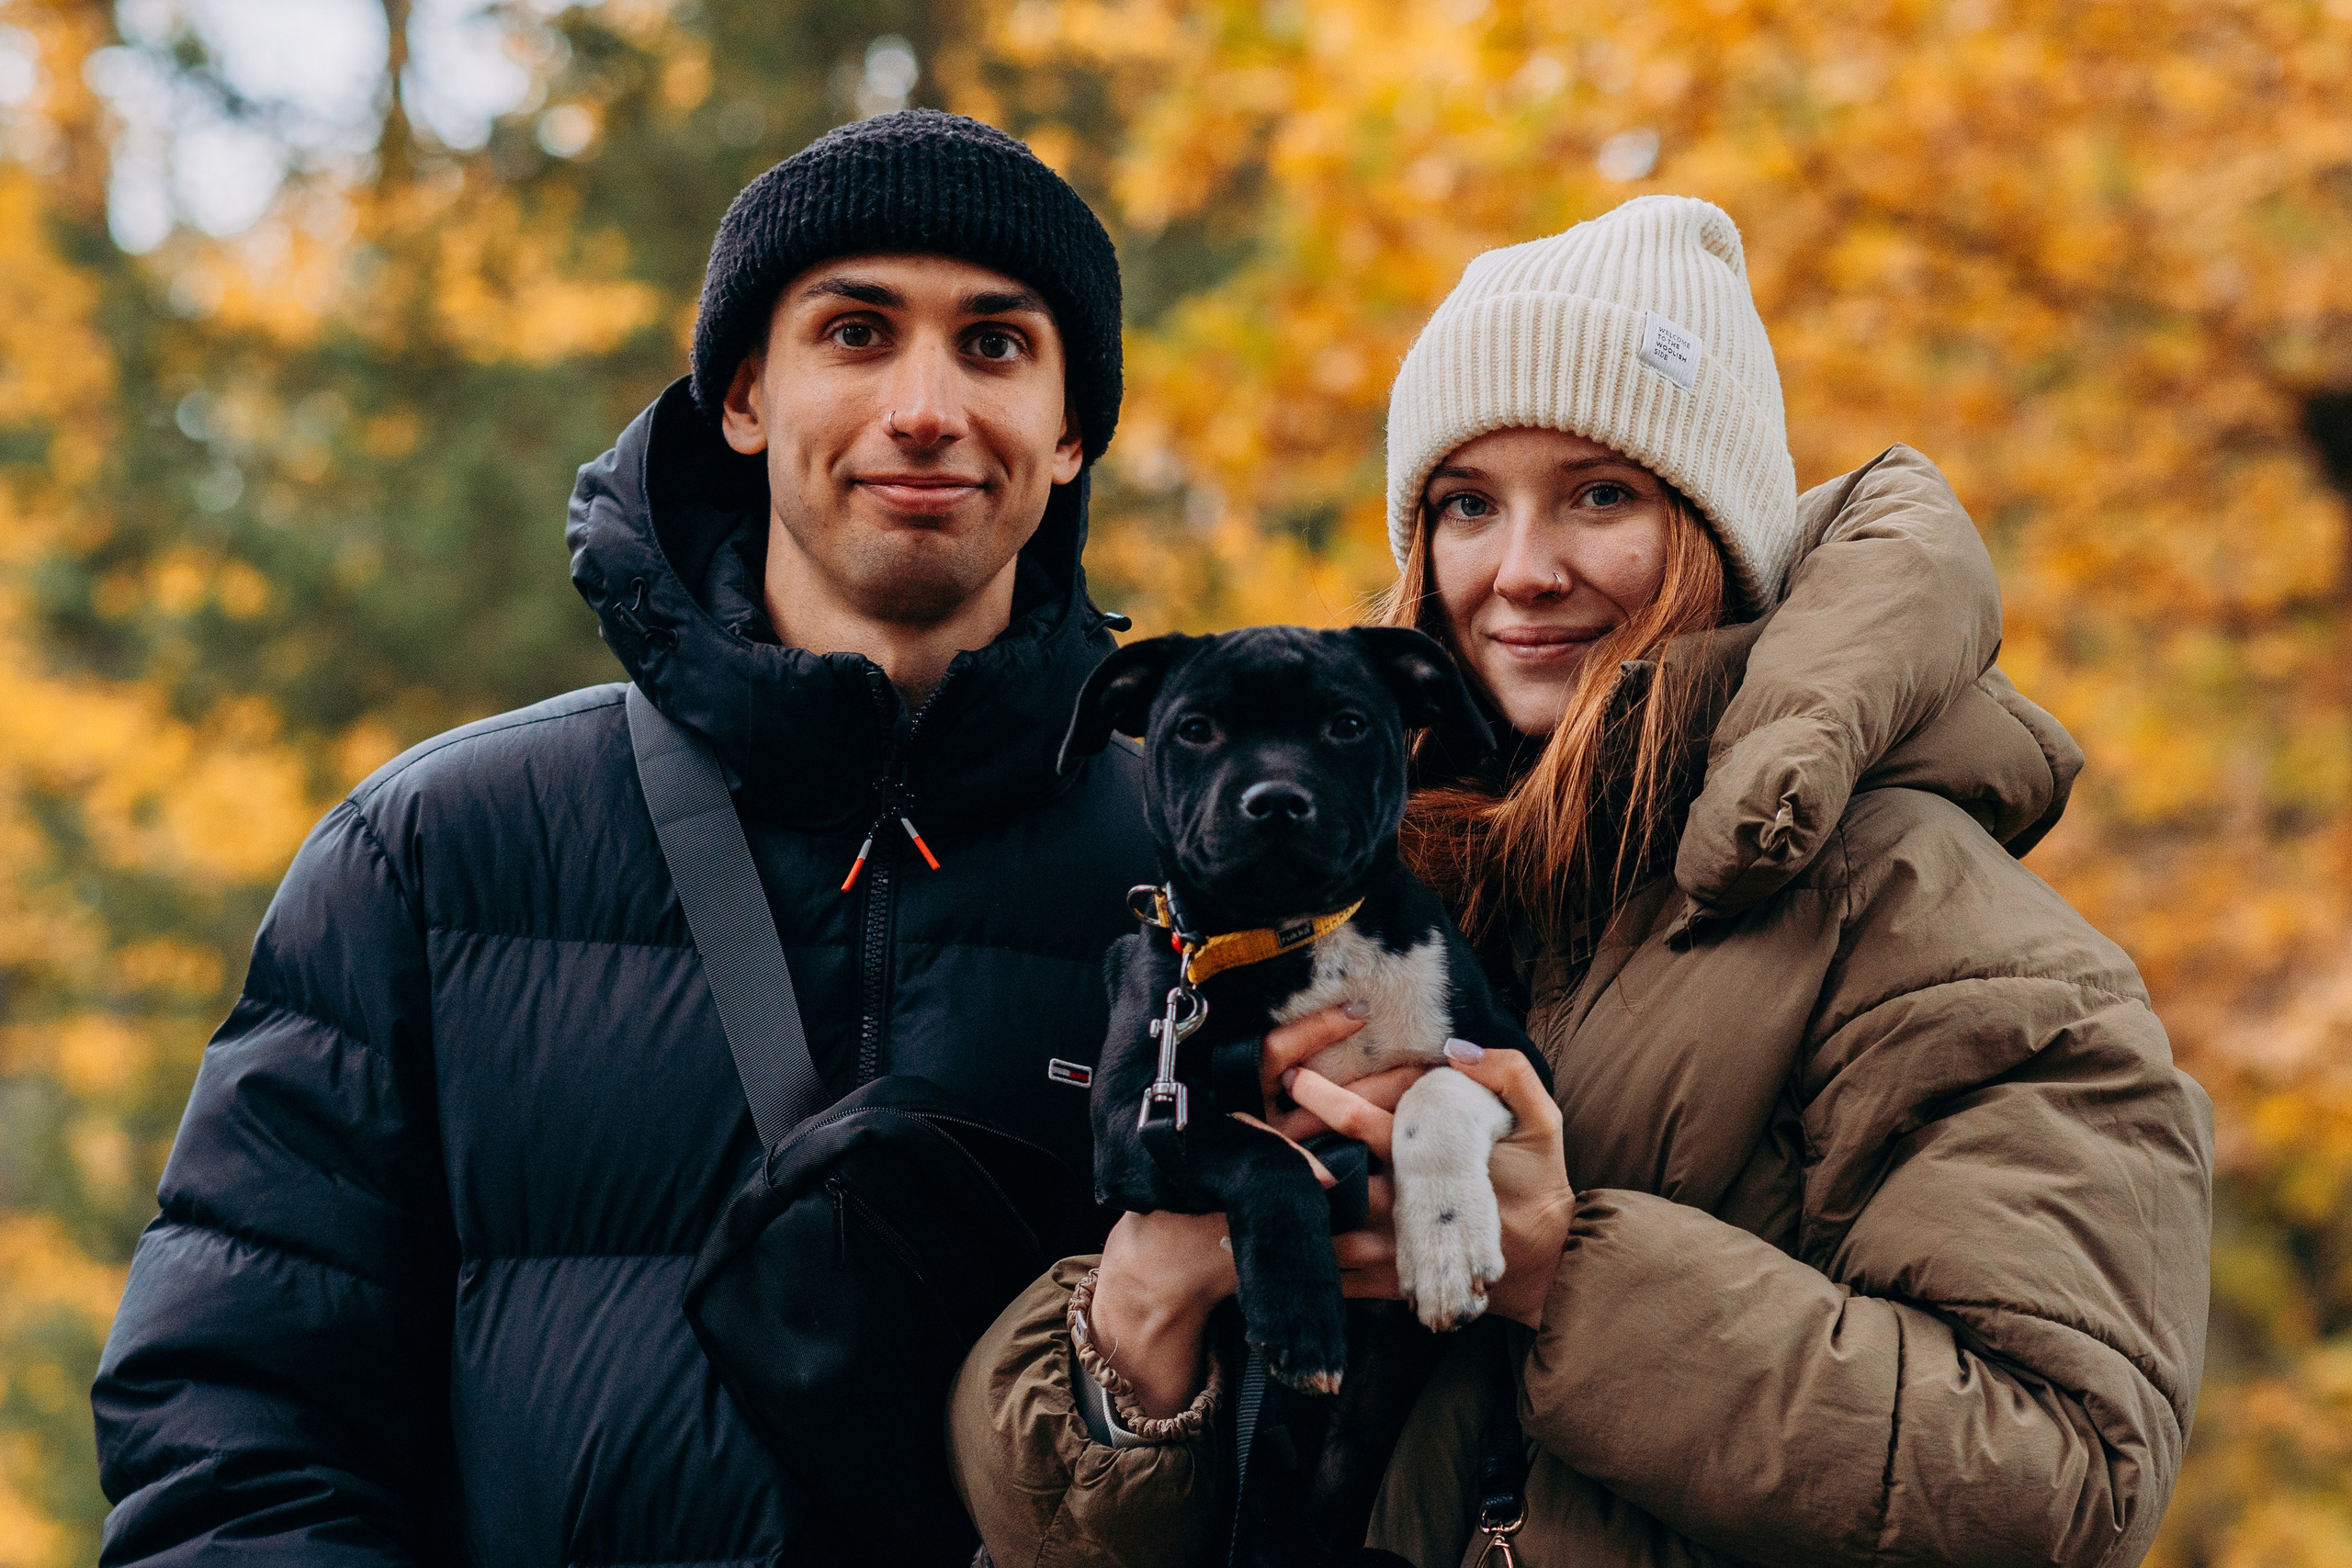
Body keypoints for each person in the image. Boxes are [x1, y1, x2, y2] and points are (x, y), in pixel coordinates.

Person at [88, 109, 1330, 1565]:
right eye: (856, 334)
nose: (925, 406)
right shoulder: (436, 853)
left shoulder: (1223, 890)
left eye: (994, 344)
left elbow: (1342, 1451)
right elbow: (234, 1435)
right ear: (744, 397)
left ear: (1069, 433)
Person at [946, 195, 2214, 1567]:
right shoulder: (1345, 885)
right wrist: (1136, 1323)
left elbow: (2061, 1485)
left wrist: (1563, 1267)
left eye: (1600, 495)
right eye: (1467, 506)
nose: (1522, 572)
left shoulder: (1938, 930)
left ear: (1714, 536)